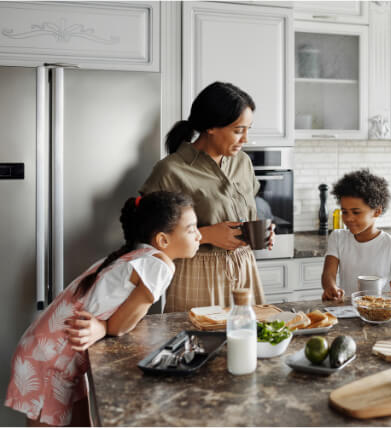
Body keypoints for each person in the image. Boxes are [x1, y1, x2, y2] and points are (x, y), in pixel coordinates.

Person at [4, 191, 201, 426]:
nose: (199, 236)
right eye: (191, 229)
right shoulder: (159, 265)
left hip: (47, 352)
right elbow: (119, 326)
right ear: (163, 240)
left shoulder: (138, 254)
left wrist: (102, 326)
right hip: (49, 361)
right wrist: (105, 326)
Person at [139, 81, 272, 312]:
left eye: (248, 129)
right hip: (196, 273)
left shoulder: (243, 163)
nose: (245, 139)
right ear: (211, 126)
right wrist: (207, 235)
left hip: (245, 267)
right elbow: (146, 237)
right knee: (200, 344)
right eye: (239, 130)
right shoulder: (171, 170)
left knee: (251, 341)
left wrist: (263, 232)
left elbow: (247, 210)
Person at [321, 169, 391, 301]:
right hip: (348, 308)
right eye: (344, 212)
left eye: (356, 212)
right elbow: (329, 273)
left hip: (379, 311)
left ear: (377, 212)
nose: (349, 218)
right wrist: (331, 287)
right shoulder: (338, 237)